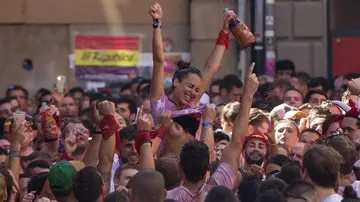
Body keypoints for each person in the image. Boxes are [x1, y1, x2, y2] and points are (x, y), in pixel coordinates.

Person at [149, 2, 232, 127]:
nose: (193, 93)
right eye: (190, 86)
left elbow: (211, 68)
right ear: (176, 82)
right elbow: (158, 62)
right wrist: (157, 23)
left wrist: (225, 32)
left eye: (197, 89)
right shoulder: (160, 103)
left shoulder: (193, 103)